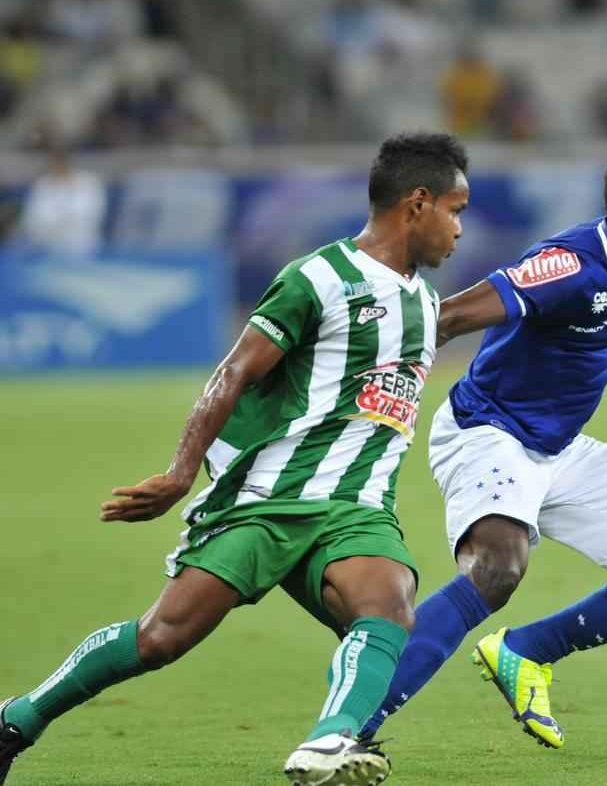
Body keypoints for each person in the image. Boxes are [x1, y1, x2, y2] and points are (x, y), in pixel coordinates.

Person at [0, 132, 470, 785]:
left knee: (388, 603)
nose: (459, 230)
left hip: (355, 508)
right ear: (417, 203)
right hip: (267, 499)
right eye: (455, 210)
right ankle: (17, 719)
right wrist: (181, 470)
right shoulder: (319, 277)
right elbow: (233, 372)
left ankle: (330, 741)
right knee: (160, 637)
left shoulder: (422, 303)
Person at [360, 137, 607, 748]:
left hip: (558, 447)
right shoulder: (569, 264)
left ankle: (525, 653)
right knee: (498, 568)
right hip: (488, 432)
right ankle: (352, 724)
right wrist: (360, 387)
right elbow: (447, 318)